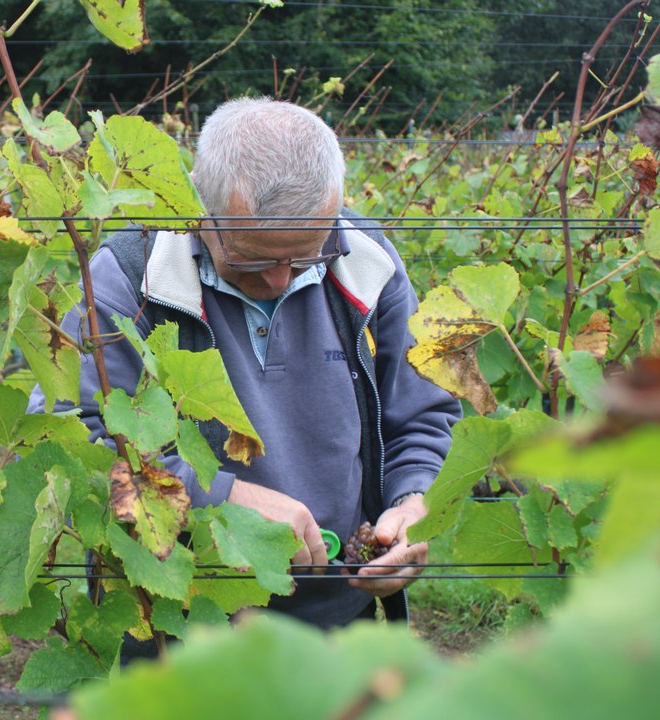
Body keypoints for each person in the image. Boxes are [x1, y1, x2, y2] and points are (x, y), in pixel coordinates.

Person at [28, 98, 460, 631]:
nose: (282, 279)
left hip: (339, 622)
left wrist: (414, 499)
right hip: (174, 624)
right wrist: (224, 500)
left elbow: (421, 416)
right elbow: (76, 445)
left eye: (306, 256)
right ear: (197, 206)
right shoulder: (123, 284)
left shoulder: (367, 264)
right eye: (253, 258)